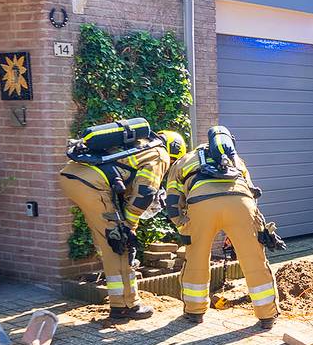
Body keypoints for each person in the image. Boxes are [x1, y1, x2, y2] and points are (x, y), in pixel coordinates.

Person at [59, 120, 186, 321]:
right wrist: (130, 225)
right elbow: (146, 191)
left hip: (74, 176)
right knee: (118, 243)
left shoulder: (140, 145)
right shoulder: (159, 154)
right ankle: (125, 306)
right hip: (92, 184)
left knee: (106, 237)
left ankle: (121, 298)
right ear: (174, 153)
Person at [165, 126, 284, 329]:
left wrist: (183, 226)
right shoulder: (236, 160)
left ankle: (194, 312)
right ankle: (267, 315)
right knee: (254, 259)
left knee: (197, 258)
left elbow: (172, 201)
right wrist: (255, 227)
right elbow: (251, 194)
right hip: (241, 204)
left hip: (201, 205)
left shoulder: (184, 161)